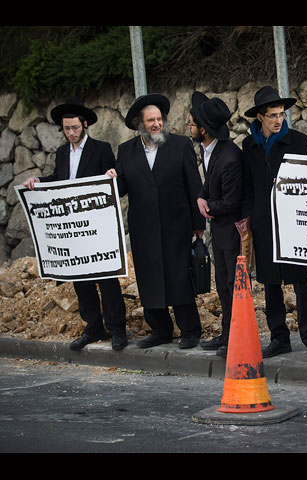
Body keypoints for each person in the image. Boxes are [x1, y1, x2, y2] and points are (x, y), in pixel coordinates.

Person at [24, 98, 128, 352]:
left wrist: (112, 176)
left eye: (74, 127)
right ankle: (93, 327)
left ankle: (117, 330)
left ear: (84, 125)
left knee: (107, 278)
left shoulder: (101, 149)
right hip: (74, 230)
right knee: (80, 280)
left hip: (97, 227)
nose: (71, 133)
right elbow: (59, 180)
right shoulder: (61, 153)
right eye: (66, 128)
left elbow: (113, 180)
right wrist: (38, 180)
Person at [106, 94, 205, 349]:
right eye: (151, 120)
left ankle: (190, 330)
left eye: (160, 119)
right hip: (144, 228)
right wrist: (111, 178)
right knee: (149, 278)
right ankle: (160, 329)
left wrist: (198, 226)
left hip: (177, 226)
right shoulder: (126, 151)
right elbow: (121, 188)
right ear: (140, 123)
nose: (157, 124)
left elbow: (194, 187)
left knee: (180, 277)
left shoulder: (180, 145)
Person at [241, 86, 307, 360]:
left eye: (281, 114)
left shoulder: (298, 141)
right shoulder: (248, 145)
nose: (279, 120)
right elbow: (249, 186)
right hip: (264, 222)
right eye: (272, 115)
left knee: (302, 281)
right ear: (259, 118)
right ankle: (279, 338)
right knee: (270, 283)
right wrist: (250, 217)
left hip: (294, 222)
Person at [188, 93, 243, 357]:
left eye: (191, 124)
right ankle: (226, 334)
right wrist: (202, 194)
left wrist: (206, 206)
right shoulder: (206, 148)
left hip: (231, 231)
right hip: (218, 229)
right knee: (222, 283)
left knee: (233, 284)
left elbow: (232, 202)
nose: (189, 127)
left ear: (204, 129)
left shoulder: (230, 157)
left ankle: (236, 337)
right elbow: (209, 183)